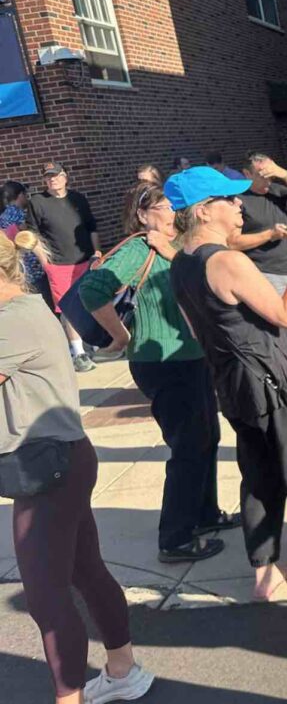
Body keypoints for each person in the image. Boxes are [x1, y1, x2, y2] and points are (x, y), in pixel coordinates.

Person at [166, 167, 287, 601]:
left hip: (232, 383)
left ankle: (265, 572)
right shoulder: (227, 261)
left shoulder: (180, 265)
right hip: (273, 379)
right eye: (228, 198)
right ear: (202, 211)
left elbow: (196, 332)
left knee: (258, 475)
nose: (239, 204)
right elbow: (286, 316)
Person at [1, 229, 155, 704]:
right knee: (85, 570)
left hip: (47, 468)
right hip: (59, 460)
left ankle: (69, 697)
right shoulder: (24, 311)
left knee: (46, 596)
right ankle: (123, 670)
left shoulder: (14, 320)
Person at [78, 182, 240, 564]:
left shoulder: (176, 245)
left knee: (207, 437)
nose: (172, 213)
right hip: (162, 362)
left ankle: (205, 514)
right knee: (188, 445)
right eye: (164, 207)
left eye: (172, 206)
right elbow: (92, 290)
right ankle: (175, 538)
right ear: (142, 214)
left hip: (192, 356)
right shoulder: (138, 249)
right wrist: (120, 336)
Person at [230, 152, 287, 349]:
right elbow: (232, 242)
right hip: (261, 271)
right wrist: (269, 235)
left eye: (271, 174)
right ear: (247, 174)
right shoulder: (238, 200)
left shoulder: (276, 191)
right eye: (262, 174)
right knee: (271, 327)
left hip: (286, 269)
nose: (268, 179)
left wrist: (285, 175)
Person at [26, 161, 101, 372]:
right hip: (58, 264)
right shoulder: (37, 202)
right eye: (48, 176)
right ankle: (79, 353)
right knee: (67, 307)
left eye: (56, 175)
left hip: (85, 260)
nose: (52, 180)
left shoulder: (78, 199)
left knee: (90, 301)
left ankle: (94, 341)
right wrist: (45, 261)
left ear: (65, 177)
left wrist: (97, 252)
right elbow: (32, 234)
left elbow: (91, 227)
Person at [1, 180, 52, 307]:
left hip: (19, 268)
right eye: (25, 194)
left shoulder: (3, 216)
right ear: (20, 195)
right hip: (33, 267)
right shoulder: (20, 214)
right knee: (45, 302)